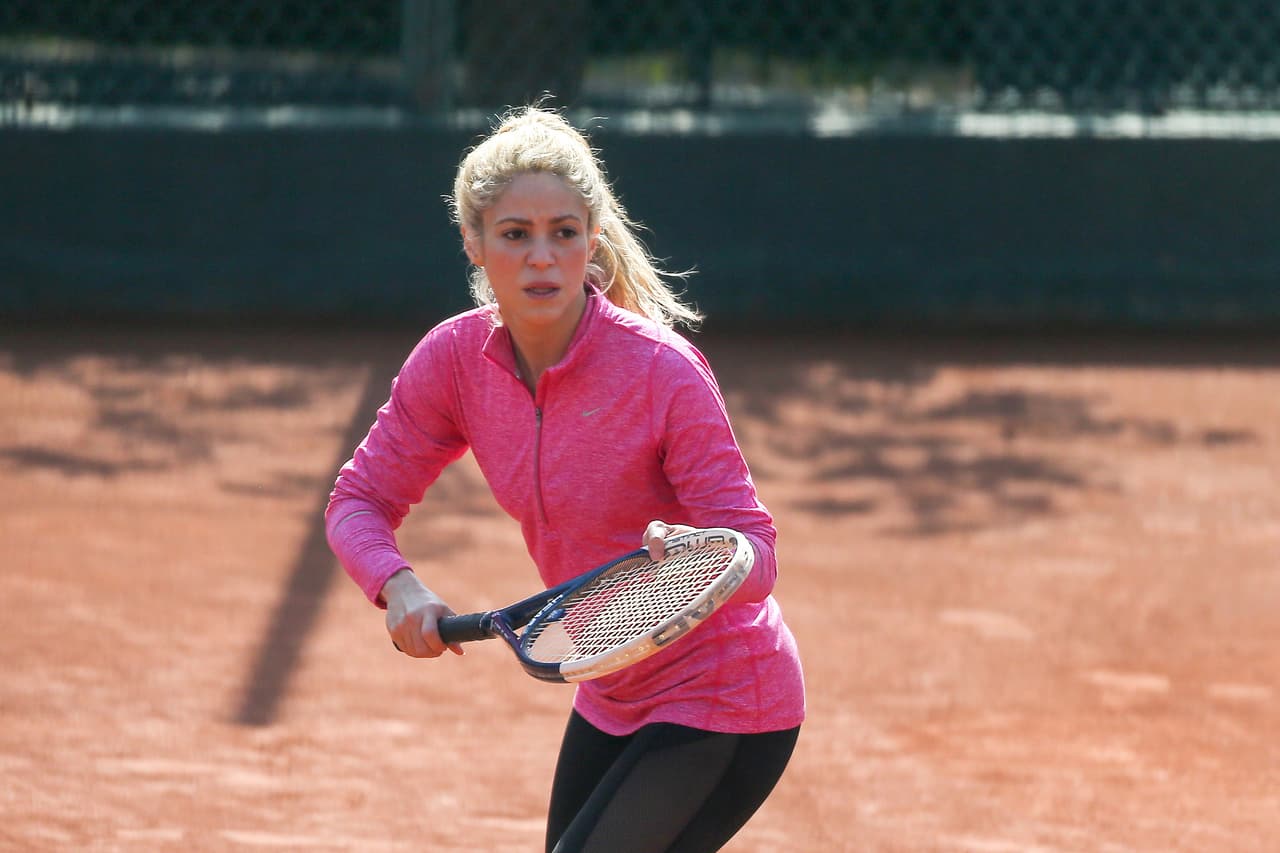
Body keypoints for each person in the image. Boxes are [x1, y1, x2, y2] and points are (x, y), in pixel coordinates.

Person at [325, 105, 805, 853]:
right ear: (475, 244)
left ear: (591, 237)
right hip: (609, 693)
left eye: (564, 233)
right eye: (515, 235)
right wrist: (400, 585)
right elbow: (359, 498)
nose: (542, 257)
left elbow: (759, 553)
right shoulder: (453, 362)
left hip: (725, 695)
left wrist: (703, 551)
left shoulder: (661, 371)